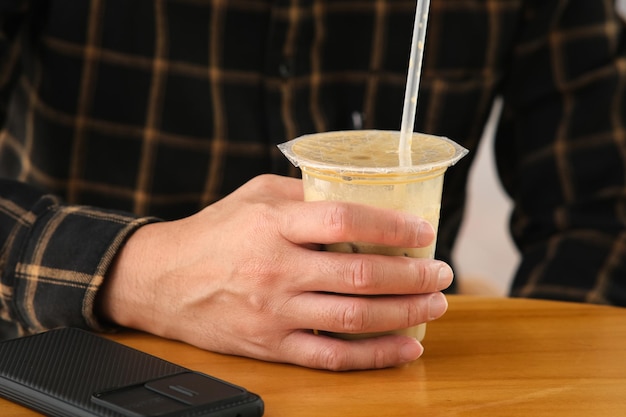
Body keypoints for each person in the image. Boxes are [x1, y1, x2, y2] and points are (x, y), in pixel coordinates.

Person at [0, 1, 624, 371]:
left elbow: (603, 209)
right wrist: (137, 273)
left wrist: (543, 381)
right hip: (73, 364)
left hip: (396, 373)